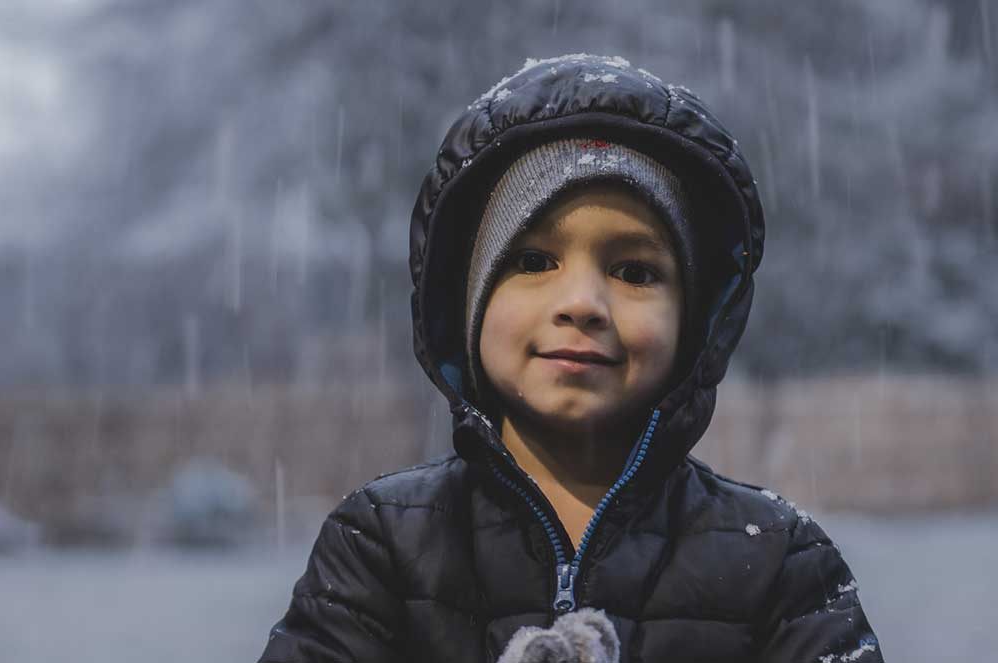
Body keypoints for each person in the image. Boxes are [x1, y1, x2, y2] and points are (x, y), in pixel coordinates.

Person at [257, 53, 884, 663]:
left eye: (634, 271)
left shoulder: (779, 560)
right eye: (533, 262)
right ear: (467, 303)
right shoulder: (381, 544)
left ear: (693, 326)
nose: (582, 302)